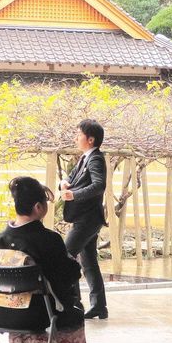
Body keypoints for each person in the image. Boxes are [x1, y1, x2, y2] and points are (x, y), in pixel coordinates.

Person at [0, 177, 89, 343]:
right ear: (38, 207)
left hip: (1, 313)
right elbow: (67, 275)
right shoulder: (48, 239)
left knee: (39, 300)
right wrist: (74, 264)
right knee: (71, 310)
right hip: (36, 315)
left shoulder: (0, 239)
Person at [60, 119, 108, 320]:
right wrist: (64, 183)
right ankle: (99, 306)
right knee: (89, 263)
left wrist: (74, 195)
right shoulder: (84, 159)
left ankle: (74, 304)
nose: (76, 137)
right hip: (86, 217)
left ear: (90, 139)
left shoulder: (95, 159)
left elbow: (99, 185)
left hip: (88, 219)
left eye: (79, 134)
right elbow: (70, 179)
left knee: (65, 257)